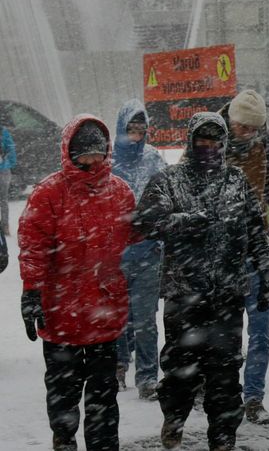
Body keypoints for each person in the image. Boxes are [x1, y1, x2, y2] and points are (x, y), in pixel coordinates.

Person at [134, 112, 269, 451]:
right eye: (202, 140)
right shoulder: (169, 179)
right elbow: (144, 222)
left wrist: (267, 269)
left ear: (224, 143)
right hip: (184, 294)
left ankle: (223, 437)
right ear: (190, 140)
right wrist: (182, 223)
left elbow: (257, 229)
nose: (209, 147)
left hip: (227, 295)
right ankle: (175, 418)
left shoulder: (236, 180)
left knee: (225, 376)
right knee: (181, 371)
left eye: (215, 141)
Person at [18, 115, 136, 451]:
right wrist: (31, 291)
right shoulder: (49, 194)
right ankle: (64, 442)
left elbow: (133, 231)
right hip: (62, 313)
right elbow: (33, 247)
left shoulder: (120, 191)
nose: (92, 161)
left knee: (103, 397)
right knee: (63, 395)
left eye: (98, 154)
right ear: (70, 153)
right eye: (85, 154)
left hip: (104, 311)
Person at [218, 89, 269, 424]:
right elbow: (184, 186)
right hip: (219, 250)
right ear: (231, 121)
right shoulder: (208, 139)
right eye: (242, 128)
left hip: (256, 245)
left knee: (262, 328)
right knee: (222, 331)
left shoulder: (267, 145)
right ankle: (219, 393)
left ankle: (253, 397)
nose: (247, 134)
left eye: (254, 129)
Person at [112, 99, 166, 400]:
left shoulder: (154, 159)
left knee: (145, 319)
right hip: (115, 254)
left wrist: (152, 221)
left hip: (147, 251)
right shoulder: (108, 162)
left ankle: (147, 375)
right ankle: (119, 364)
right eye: (131, 128)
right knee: (117, 317)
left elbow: (166, 196)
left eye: (140, 128)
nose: (136, 134)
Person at [0, 125, 17, 236]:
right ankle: (5, 226)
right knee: (3, 200)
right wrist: (11, 164)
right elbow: (10, 147)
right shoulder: (2, 131)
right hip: (3, 169)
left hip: (4, 169)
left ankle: (5, 226)